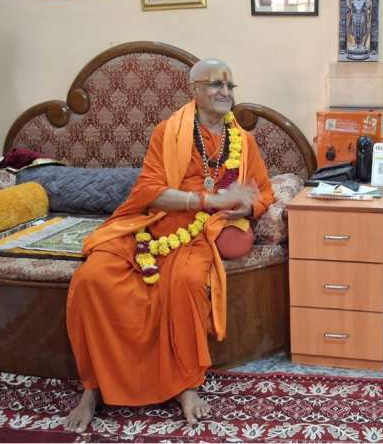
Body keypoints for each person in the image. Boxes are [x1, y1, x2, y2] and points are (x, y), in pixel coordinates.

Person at [62, 58, 275, 433]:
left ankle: (186, 385)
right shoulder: (168, 132)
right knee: (91, 278)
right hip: (154, 224)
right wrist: (209, 200)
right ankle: (93, 387)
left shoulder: (244, 142)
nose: (225, 91)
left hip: (201, 232)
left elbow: (265, 193)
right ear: (194, 90)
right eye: (216, 84)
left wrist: (247, 206)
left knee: (186, 282)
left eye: (230, 85)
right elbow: (150, 192)